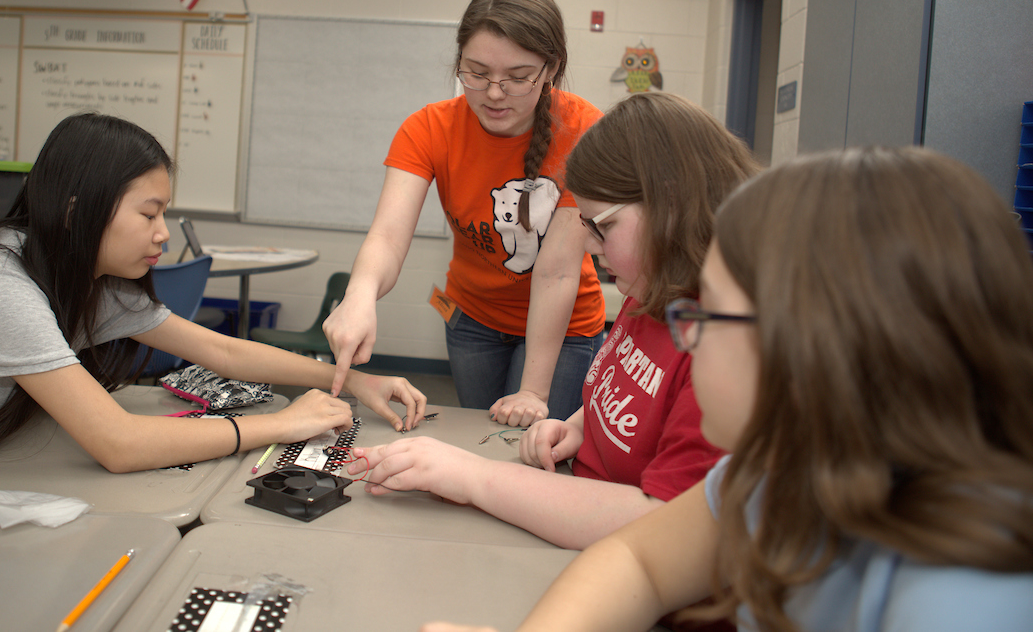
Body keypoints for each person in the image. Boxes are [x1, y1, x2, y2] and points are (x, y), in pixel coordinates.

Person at [423, 146, 1033, 632]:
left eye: (707, 314)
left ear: (815, 344)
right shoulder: (782, 472)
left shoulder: (964, 599)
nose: (685, 340)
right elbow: (640, 560)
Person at [0, 112, 426, 476]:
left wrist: (350, 381)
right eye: (150, 213)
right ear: (77, 213)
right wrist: (281, 424)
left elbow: (222, 353)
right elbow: (117, 443)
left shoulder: (80, 281)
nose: (163, 233)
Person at [344, 92, 760, 551]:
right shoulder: (649, 292)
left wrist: (472, 477)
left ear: (671, 206)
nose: (592, 248)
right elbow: (624, 398)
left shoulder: (724, 344)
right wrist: (580, 428)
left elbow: (670, 527)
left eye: (603, 227)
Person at [324, 0, 607, 426]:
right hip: (472, 321)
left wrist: (532, 391)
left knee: (534, 451)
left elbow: (556, 270)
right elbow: (388, 236)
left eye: (517, 77)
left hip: (565, 328)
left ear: (551, 68)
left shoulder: (585, 129)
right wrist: (360, 295)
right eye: (476, 73)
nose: (494, 93)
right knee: (478, 437)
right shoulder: (428, 128)